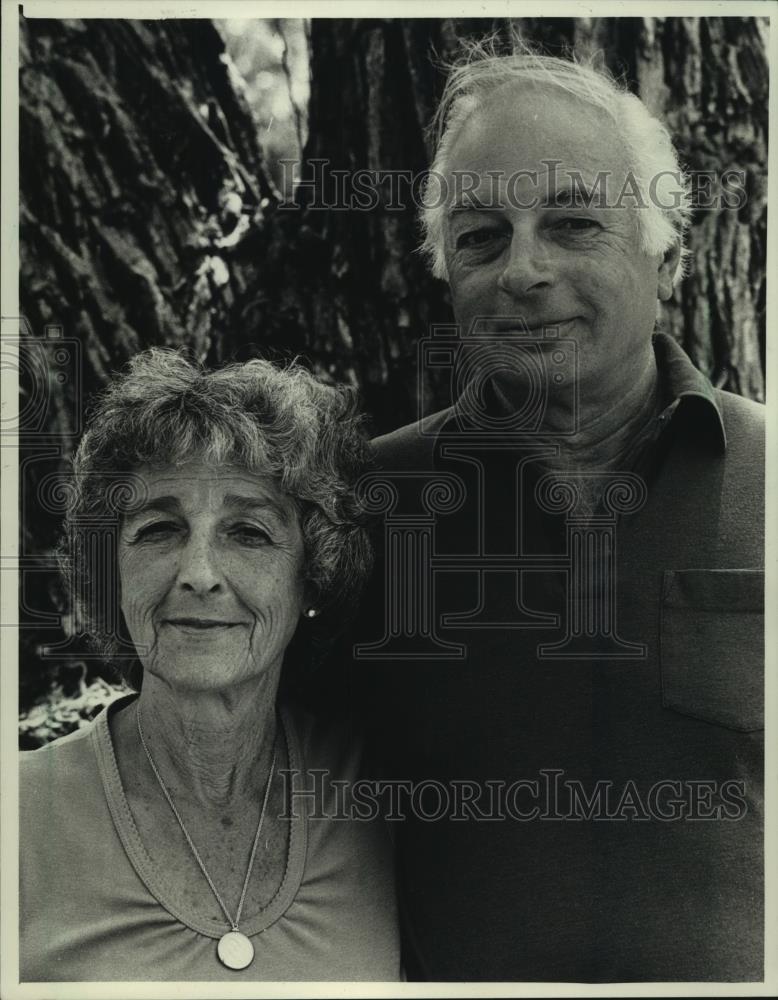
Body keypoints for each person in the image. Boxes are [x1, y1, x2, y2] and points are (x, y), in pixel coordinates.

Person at [348, 47, 764, 981]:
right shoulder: (364, 509)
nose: (523, 271)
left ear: (670, 252)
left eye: (573, 223)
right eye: (481, 236)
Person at [20, 350, 401, 982]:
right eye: (158, 530)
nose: (198, 575)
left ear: (313, 576)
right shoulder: (19, 816)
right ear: (111, 571)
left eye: (247, 533)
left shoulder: (381, 797)